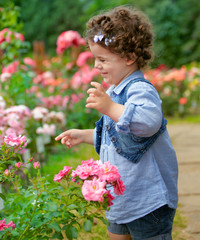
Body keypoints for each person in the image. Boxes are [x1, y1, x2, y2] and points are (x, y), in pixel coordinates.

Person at [55, 6, 178, 240]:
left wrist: (110, 107)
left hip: (147, 200)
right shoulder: (114, 91)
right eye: (94, 59)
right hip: (121, 197)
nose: (96, 66)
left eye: (102, 59)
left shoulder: (139, 89)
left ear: (129, 58)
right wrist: (84, 134)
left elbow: (149, 122)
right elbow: (115, 135)